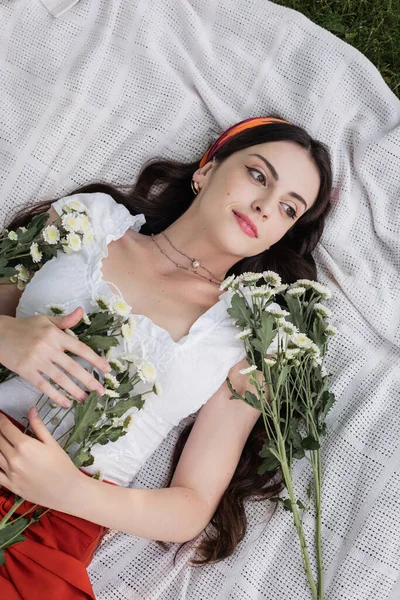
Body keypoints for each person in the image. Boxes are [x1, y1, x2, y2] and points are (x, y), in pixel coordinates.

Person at [0, 116, 332, 599]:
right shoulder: (84, 222)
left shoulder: (250, 338)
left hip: (52, 525)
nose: (263, 206)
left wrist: (70, 492)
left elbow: (192, 504)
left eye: (287, 209)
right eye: (259, 175)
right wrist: (5, 335)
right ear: (207, 168)